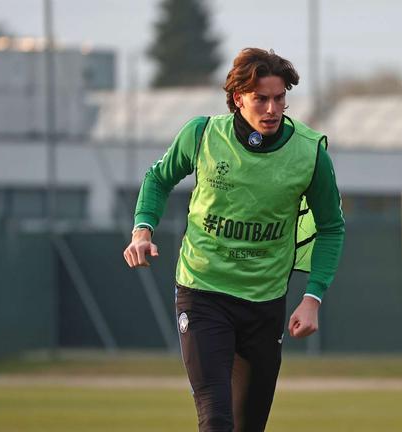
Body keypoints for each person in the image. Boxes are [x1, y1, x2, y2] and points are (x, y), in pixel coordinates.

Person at [123, 48, 345, 432]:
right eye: (261, 98)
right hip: (203, 291)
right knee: (215, 417)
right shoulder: (203, 134)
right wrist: (142, 230)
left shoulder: (309, 153)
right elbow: (158, 179)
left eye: (279, 99)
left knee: (248, 425)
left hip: (265, 303)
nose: (272, 109)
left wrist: (313, 297)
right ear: (238, 96)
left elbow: (331, 227)